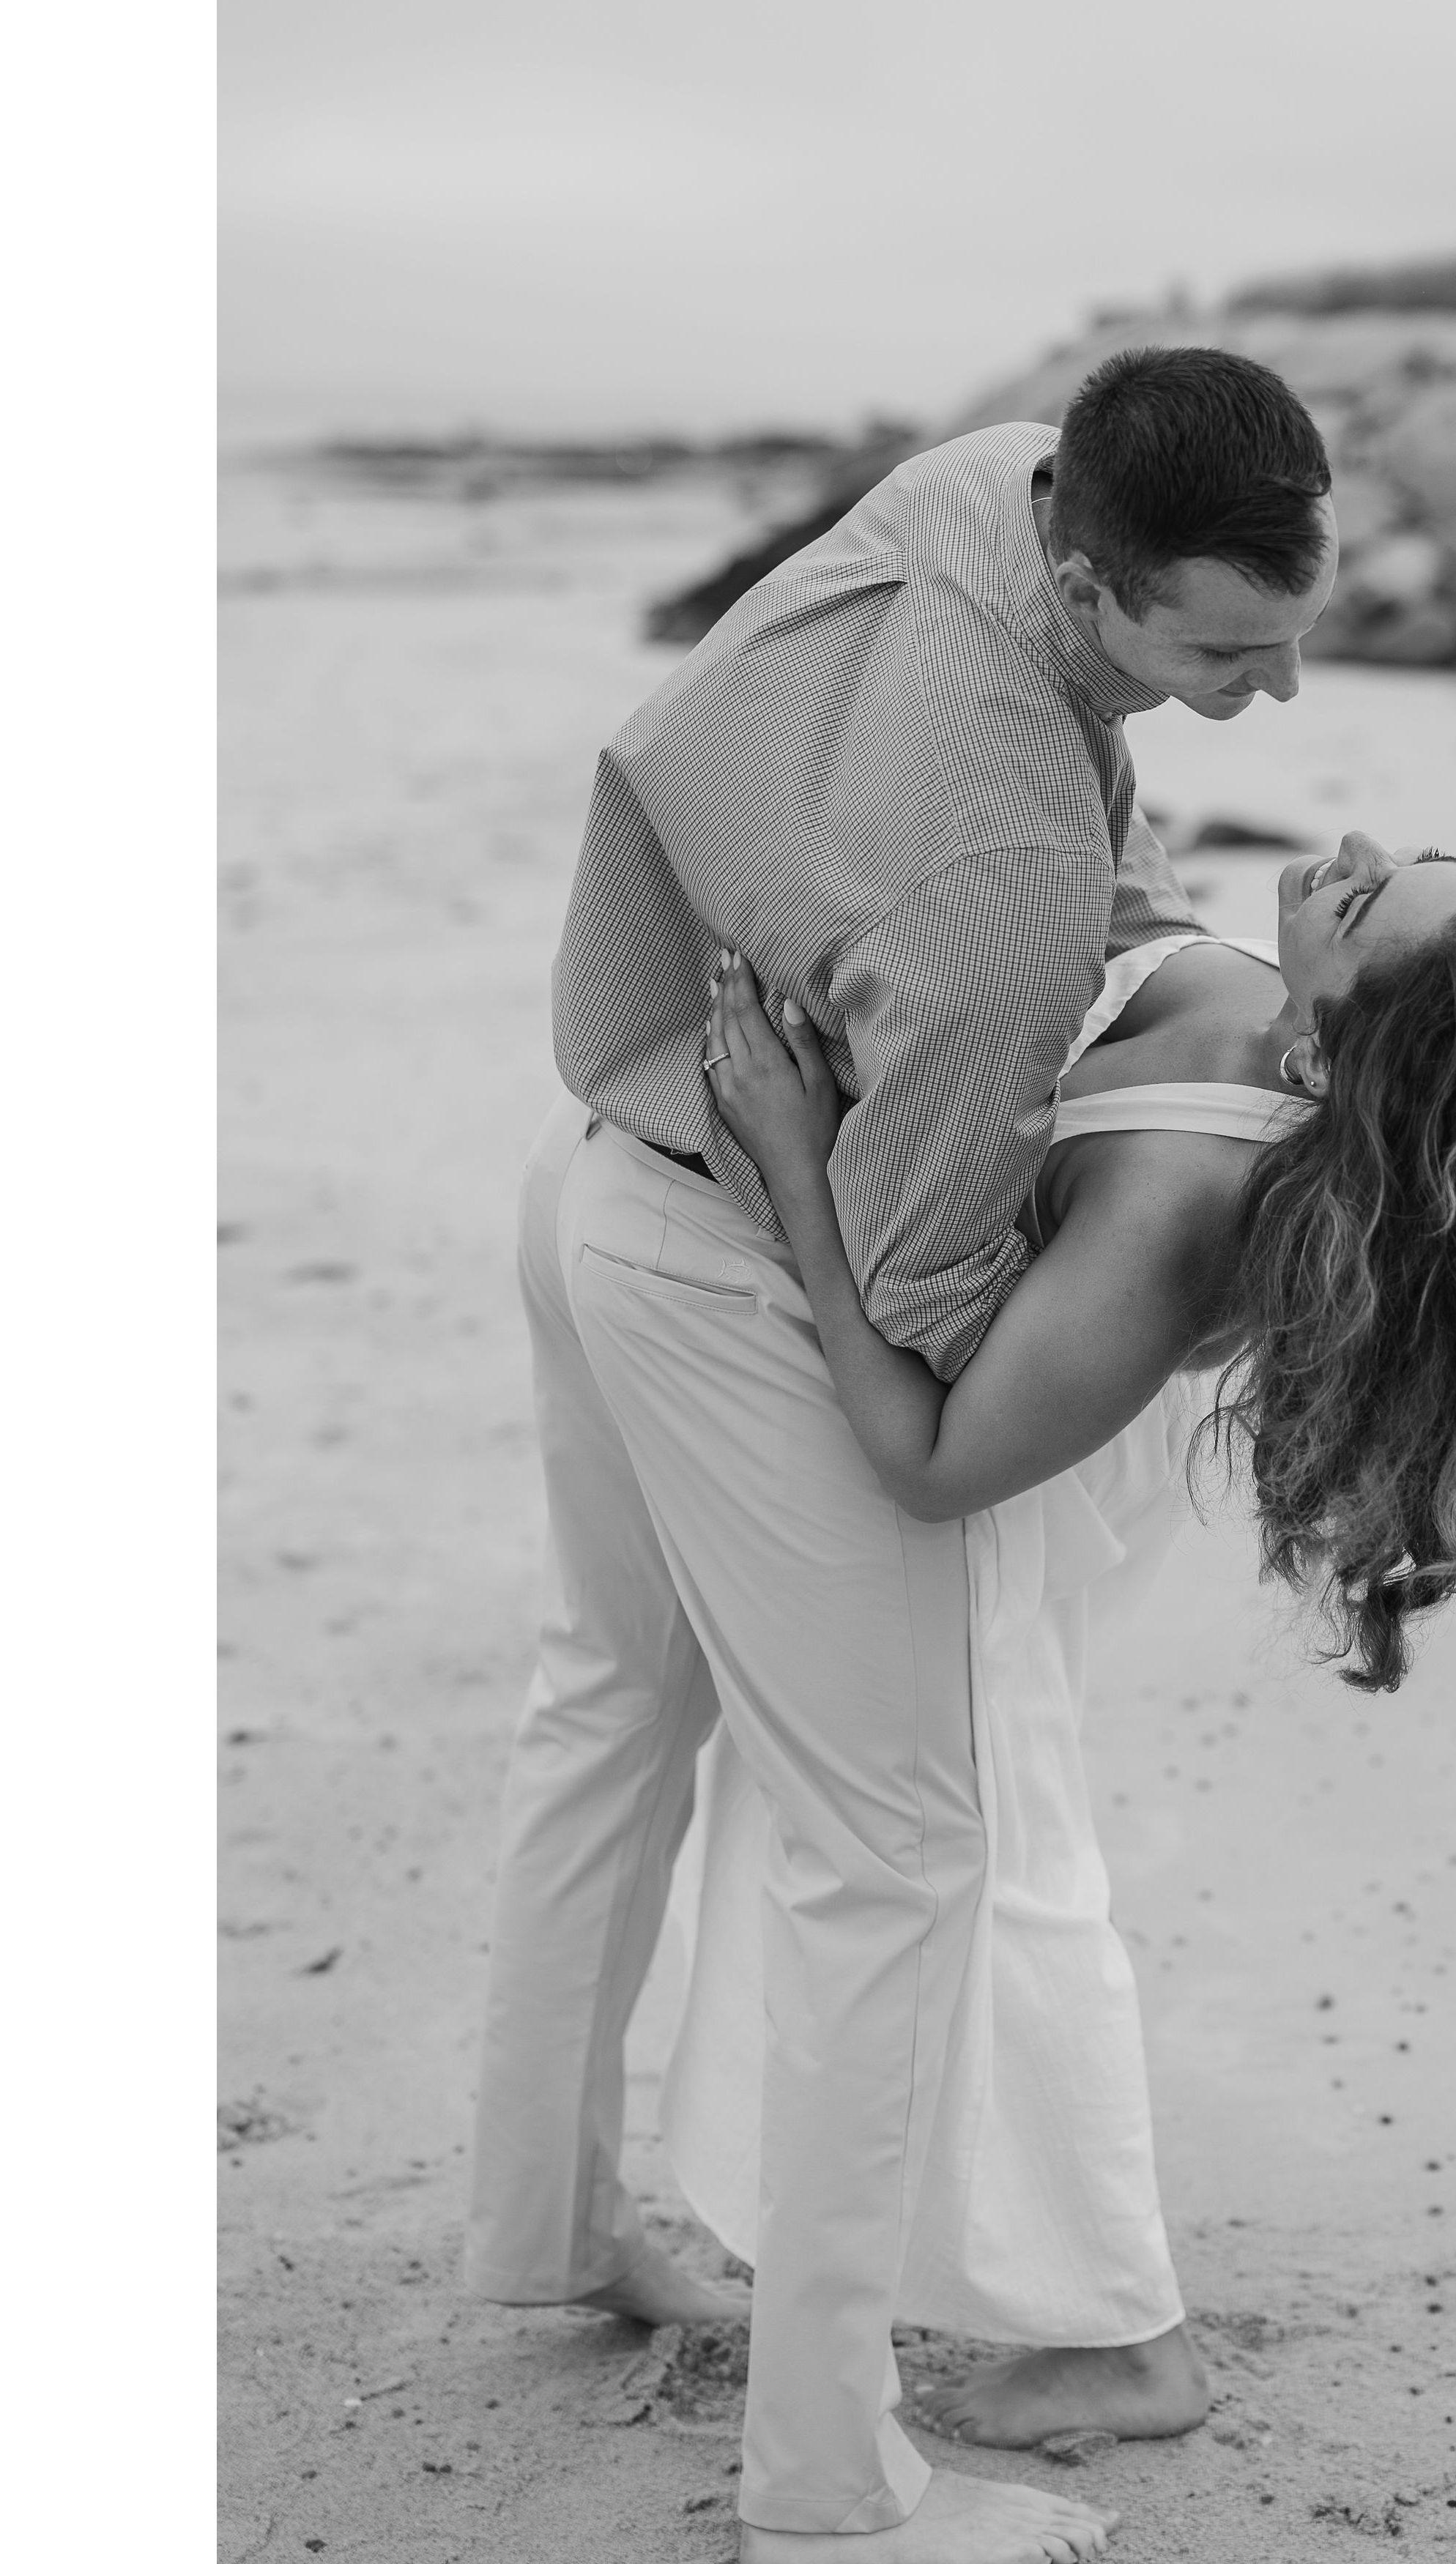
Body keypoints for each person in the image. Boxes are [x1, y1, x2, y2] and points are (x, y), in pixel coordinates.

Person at [467, 346, 1339, 2564]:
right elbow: (924, 1318)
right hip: (722, 1270)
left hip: (597, 1155)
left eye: (1293, 628)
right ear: (1090, 574)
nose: (1272, 697)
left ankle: (548, 2230)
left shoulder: (984, 483)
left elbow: (1039, 844)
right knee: (900, 1859)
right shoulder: (1001, 882)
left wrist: (1135, 968)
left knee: (611, 1712)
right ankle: (831, 2490)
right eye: (1220, 655)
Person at [678, 830, 1456, 2444]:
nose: (1348, 853)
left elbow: (939, 1468)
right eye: (1411, 856)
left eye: (1365, 903)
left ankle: (1130, 2339)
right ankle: (921, 2232)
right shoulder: (1278, 1009)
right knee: (898, 1819)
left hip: (1028, 1457)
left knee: (1005, 1842)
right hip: (1057, 1392)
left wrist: (793, 1159)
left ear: (1343, 1038)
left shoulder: (1179, 1197)